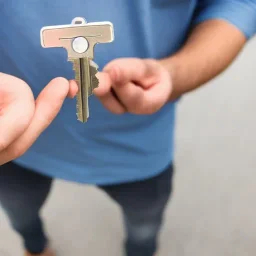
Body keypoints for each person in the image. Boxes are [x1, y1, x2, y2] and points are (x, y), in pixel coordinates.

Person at [0, 1, 255, 256]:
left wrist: (174, 74)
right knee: (22, 218)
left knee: (144, 231)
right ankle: (35, 248)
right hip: (14, 136)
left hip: (140, 144)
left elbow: (239, 3)